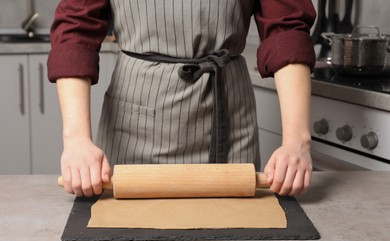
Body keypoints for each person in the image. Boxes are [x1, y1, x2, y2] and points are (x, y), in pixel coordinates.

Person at [48, 0, 316, 198]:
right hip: (133, 130)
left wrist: (297, 141)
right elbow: (75, 33)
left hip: (229, 125)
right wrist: (76, 141)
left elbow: (287, 31)